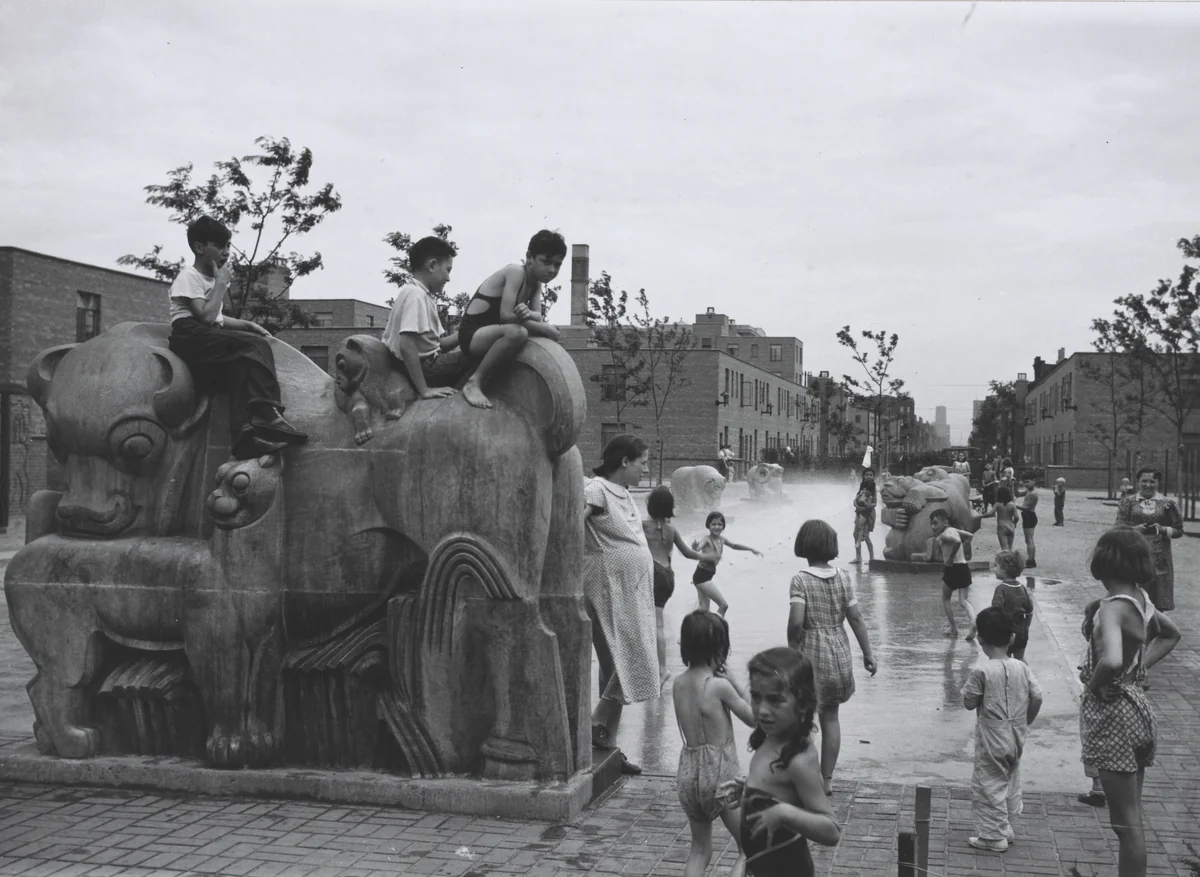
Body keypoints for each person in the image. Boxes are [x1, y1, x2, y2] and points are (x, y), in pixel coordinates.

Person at [1078, 528, 1181, 877]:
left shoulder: (1112, 608)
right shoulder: (1141, 599)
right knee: (1132, 816)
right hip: (1137, 710)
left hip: (1114, 718)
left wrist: (1093, 688)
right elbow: (1170, 634)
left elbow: (1111, 660)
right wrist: (1141, 670)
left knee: (1126, 824)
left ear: (1104, 559)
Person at [167, 216, 306, 460]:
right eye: (220, 246)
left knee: (242, 367)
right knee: (254, 346)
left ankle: (244, 439)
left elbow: (218, 319)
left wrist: (248, 325)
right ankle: (266, 410)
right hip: (188, 335)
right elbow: (206, 317)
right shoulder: (189, 276)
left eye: (229, 246)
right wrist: (221, 284)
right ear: (200, 248)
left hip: (204, 333)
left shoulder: (209, 280)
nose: (226, 252)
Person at [717, 648, 841, 877]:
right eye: (755, 696)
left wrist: (784, 812)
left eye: (775, 700)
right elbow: (778, 792)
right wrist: (751, 793)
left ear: (802, 705)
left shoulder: (798, 759)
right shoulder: (770, 737)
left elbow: (831, 830)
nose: (762, 710)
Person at [584, 434, 659, 775]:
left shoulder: (625, 493)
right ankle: (599, 731)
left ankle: (606, 742)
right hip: (607, 588)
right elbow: (570, 524)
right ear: (624, 461)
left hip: (633, 590)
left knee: (628, 659)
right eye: (642, 461)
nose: (646, 468)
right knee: (619, 661)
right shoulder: (596, 490)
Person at [788, 519, 877, 797]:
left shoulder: (800, 580)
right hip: (838, 651)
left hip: (811, 653)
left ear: (803, 545)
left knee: (803, 720)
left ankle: (805, 778)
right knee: (831, 718)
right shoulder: (844, 577)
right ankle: (826, 779)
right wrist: (868, 654)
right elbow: (857, 619)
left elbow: (796, 622)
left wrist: (791, 648)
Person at [673, 611, 756, 877]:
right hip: (720, 777)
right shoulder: (718, 686)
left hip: (688, 775)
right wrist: (736, 682)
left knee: (700, 850)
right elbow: (755, 719)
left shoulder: (678, 683)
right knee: (748, 848)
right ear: (721, 648)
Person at [961, 606, 1044, 852]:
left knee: (989, 783)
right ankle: (1006, 825)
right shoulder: (1021, 667)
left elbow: (968, 703)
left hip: (991, 738)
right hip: (1016, 734)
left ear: (980, 639)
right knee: (1010, 777)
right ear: (1012, 638)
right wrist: (1025, 721)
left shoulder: (982, 671)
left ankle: (993, 836)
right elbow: (1037, 696)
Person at [456, 230, 566, 409]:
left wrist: (533, 317)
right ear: (529, 257)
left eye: (557, 265)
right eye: (545, 261)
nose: (551, 270)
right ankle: (474, 381)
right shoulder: (516, 272)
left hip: (491, 332)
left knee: (527, 332)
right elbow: (506, 316)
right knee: (518, 333)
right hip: (472, 336)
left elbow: (537, 317)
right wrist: (546, 328)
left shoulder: (536, 284)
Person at [381, 236, 472, 401]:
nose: (448, 278)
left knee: (474, 347)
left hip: (423, 364)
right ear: (431, 265)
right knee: (480, 353)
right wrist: (424, 390)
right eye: (447, 270)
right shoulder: (416, 295)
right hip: (426, 369)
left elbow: (436, 345)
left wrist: (467, 333)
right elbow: (406, 345)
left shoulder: (418, 293)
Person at [643, 487, 708, 687]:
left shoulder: (643, 526)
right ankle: (656, 667)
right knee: (656, 624)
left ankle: (661, 669)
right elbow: (688, 553)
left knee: (654, 625)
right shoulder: (672, 530)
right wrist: (706, 557)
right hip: (668, 577)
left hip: (652, 575)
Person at [1114, 466, 1183, 612]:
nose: (1148, 485)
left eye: (1152, 481)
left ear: (1158, 483)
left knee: (1158, 598)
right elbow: (1118, 528)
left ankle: (1155, 628)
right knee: (1134, 595)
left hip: (1160, 557)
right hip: (1134, 554)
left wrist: (1163, 529)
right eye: (1144, 481)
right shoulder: (1128, 502)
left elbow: (1179, 530)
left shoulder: (1168, 504)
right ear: (1137, 481)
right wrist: (1134, 530)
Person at [913, 508, 977, 640]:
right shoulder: (954, 530)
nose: (933, 526)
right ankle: (973, 622)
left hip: (952, 568)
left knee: (945, 598)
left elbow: (957, 542)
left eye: (936, 523)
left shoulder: (943, 535)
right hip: (964, 567)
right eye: (931, 523)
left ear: (945, 522)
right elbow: (969, 536)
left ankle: (953, 628)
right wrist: (964, 548)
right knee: (963, 600)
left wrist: (951, 557)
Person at [691, 511, 763, 617]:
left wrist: (751, 549)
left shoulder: (721, 539)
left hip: (705, 575)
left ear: (723, 526)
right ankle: (718, 629)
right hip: (702, 576)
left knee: (704, 610)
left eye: (719, 524)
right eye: (713, 524)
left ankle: (698, 629)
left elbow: (734, 545)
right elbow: (698, 548)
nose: (717, 527)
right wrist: (695, 547)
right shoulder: (707, 539)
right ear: (708, 526)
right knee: (723, 605)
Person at [990, 550, 1033, 661]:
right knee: (1020, 658)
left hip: (1006, 632)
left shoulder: (1001, 589)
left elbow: (995, 612)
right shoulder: (1022, 588)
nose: (993, 569)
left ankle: (1009, 678)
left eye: (996, 566)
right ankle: (1025, 676)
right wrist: (1026, 626)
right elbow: (1030, 610)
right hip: (1022, 632)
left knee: (1004, 659)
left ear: (1004, 569)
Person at [980, 485, 1020, 551]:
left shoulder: (997, 504)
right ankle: (1011, 560)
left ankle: (1005, 560)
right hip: (1011, 526)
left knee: (1004, 548)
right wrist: (1015, 523)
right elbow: (1016, 517)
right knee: (1010, 548)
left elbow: (990, 513)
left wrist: (981, 516)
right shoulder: (1012, 505)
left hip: (1001, 526)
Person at [851, 469, 877, 565]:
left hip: (868, 514)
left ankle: (872, 558)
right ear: (864, 476)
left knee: (866, 536)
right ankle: (858, 557)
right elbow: (857, 497)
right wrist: (855, 503)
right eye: (867, 474)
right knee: (855, 534)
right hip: (859, 512)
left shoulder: (873, 489)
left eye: (871, 475)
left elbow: (875, 503)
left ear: (874, 477)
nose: (869, 476)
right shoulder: (862, 486)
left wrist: (865, 504)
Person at [1016, 471, 1040, 568]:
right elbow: (1017, 494)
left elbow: (1027, 508)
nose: (1026, 484)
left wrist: (1014, 506)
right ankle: (1030, 559)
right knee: (1028, 539)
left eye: (1027, 482)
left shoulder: (1033, 493)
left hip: (1029, 516)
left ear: (1034, 481)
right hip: (1028, 516)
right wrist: (1014, 485)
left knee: (1029, 539)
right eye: (1024, 482)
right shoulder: (1029, 491)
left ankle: (1031, 560)